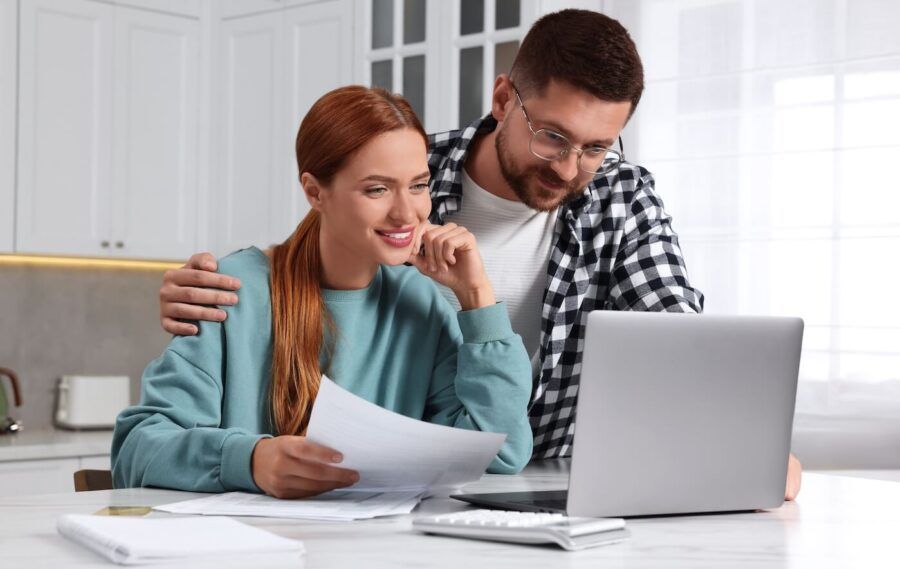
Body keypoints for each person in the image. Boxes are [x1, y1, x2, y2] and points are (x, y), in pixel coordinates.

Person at [153, 10, 803, 499]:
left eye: (599, 146)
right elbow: (316, 262)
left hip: (534, 469)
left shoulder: (620, 195)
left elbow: (676, 343)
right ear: (502, 101)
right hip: (400, 480)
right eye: (553, 136)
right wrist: (219, 289)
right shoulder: (413, 163)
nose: (573, 167)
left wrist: (743, 445)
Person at [112, 86, 534, 499]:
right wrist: (250, 460)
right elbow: (136, 450)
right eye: (377, 189)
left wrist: (477, 296)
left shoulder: (420, 302)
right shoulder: (232, 290)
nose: (407, 212)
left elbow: (499, 450)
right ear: (315, 191)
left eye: (418, 185)